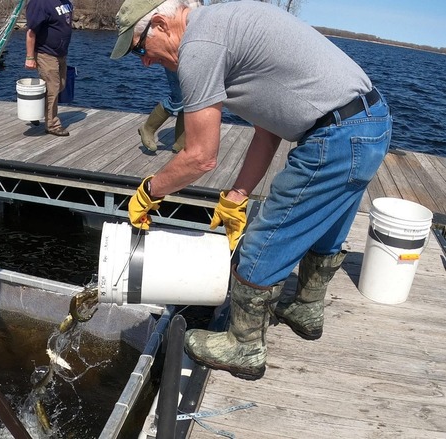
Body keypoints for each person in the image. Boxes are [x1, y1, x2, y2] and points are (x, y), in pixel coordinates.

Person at [111, 0, 392, 381]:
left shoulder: (199, 45)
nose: (144, 61)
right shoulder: (223, 24)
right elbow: (268, 126)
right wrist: (239, 193)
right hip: (370, 122)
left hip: (336, 135)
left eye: (140, 49)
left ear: (160, 24)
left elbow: (200, 156)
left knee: (264, 241)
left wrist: (149, 191)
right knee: (327, 226)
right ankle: (307, 309)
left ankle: (244, 346)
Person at [25, 0, 73, 136]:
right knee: (53, 87)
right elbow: (31, 32)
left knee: (61, 85)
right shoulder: (40, 2)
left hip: (61, 53)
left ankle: (35, 111)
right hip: (45, 53)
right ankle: (52, 125)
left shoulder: (67, 2)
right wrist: (29, 57)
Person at [139, 67, 184, 153]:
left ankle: (180, 140)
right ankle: (148, 128)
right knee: (178, 97)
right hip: (176, 56)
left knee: (190, 96)